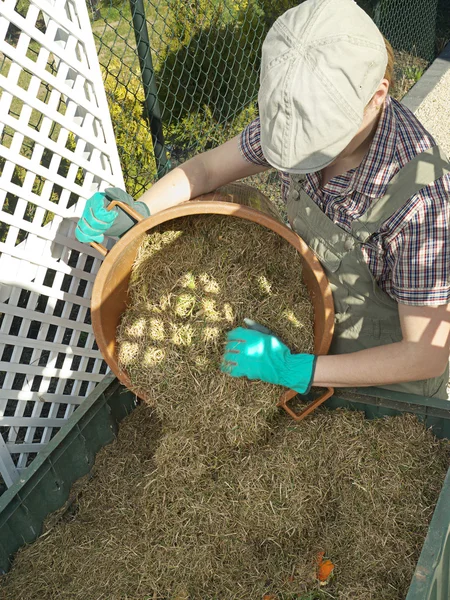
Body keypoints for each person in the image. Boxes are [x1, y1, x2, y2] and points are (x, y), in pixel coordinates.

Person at [76, 0, 450, 399]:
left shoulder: (421, 203)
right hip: (312, 333)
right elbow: (207, 170)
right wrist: (141, 214)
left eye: (320, 145)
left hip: (386, 381)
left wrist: (294, 368)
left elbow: (426, 353)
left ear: (377, 96)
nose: (304, 156)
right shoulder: (298, 111)